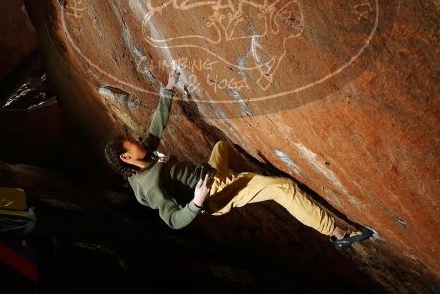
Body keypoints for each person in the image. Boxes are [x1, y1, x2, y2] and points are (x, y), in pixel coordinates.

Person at [103, 66, 373, 250]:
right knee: (284, 188)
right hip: (214, 194)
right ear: (127, 157)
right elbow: (172, 220)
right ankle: (338, 235)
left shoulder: (145, 154)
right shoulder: (150, 186)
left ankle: (255, 184)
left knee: (222, 146)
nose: (139, 141)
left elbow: (156, 127)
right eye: (133, 143)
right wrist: (197, 201)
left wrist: (169, 89)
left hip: (211, 173)